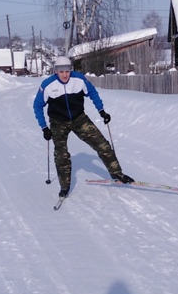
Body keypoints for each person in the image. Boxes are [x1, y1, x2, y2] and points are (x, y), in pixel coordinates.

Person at [34, 55, 133, 199]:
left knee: (102, 144)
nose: (64, 75)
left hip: (79, 118)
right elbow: (37, 106)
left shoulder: (79, 80)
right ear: (56, 71)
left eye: (67, 71)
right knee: (61, 154)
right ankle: (65, 186)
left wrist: (102, 111)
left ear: (70, 70)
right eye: (61, 72)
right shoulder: (47, 85)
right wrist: (44, 128)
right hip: (58, 122)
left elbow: (92, 93)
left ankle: (117, 173)